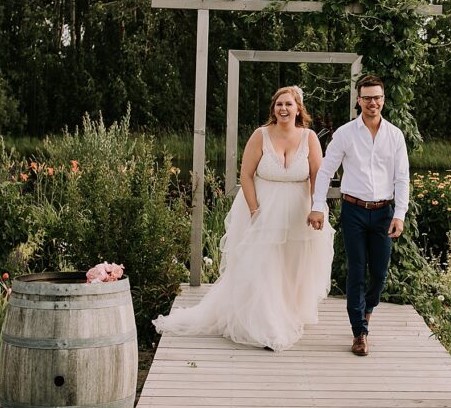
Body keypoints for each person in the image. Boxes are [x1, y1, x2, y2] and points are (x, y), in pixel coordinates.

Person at [153, 86, 335, 351]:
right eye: (279, 104)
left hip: (299, 209)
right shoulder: (261, 135)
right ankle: (269, 323)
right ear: (274, 108)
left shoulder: (309, 138)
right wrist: (254, 211)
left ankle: (289, 310)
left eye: (289, 104)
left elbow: (317, 174)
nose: (283, 109)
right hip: (264, 207)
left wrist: (317, 206)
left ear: (298, 109)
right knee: (264, 264)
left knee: (293, 263)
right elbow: (246, 175)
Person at [307, 74, 409, 356]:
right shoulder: (345, 134)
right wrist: (318, 205)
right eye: (367, 98)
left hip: (384, 212)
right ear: (358, 100)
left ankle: (367, 311)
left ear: (383, 100)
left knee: (379, 272)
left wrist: (399, 214)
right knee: (356, 270)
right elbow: (326, 171)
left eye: (377, 97)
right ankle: (359, 332)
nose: (372, 102)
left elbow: (402, 178)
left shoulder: (395, 135)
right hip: (353, 210)